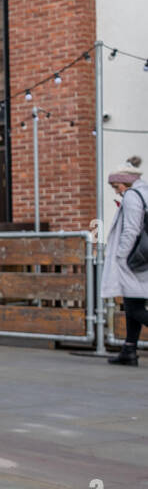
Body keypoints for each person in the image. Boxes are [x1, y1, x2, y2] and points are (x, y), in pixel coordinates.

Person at [101, 157, 148, 366]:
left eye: (115, 185)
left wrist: (121, 256)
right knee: (133, 303)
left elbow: (131, 229)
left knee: (134, 307)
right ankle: (129, 350)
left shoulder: (132, 196)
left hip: (133, 258)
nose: (115, 190)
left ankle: (129, 351)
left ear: (124, 182)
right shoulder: (144, 192)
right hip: (142, 257)